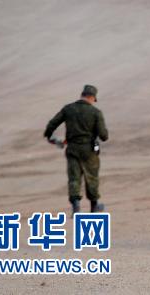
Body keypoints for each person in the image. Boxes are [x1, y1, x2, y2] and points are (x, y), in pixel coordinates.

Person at [44, 84, 109, 215]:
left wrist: (49, 135)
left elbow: (52, 124)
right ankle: (94, 206)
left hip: (72, 148)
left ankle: (76, 207)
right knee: (91, 177)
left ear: (82, 95)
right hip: (89, 150)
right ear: (91, 97)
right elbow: (104, 136)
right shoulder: (96, 113)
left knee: (74, 177)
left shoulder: (68, 109)